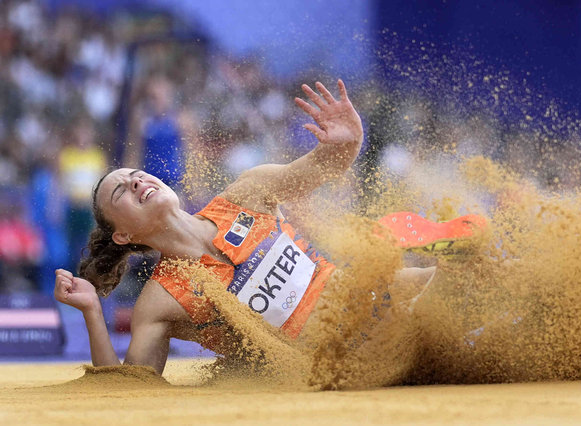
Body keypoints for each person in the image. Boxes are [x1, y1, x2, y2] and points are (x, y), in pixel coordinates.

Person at [53, 80, 463, 374]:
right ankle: (452, 271)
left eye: (137, 173)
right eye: (120, 191)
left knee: (464, 280)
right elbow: (129, 390)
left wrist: (348, 142)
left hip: (372, 294)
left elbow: (324, 166)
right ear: (123, 236)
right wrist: (92, 309)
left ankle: (460, 259)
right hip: (344, 358)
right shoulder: (159, 302)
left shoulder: (245, 194)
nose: (137, 181)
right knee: (438, 320)